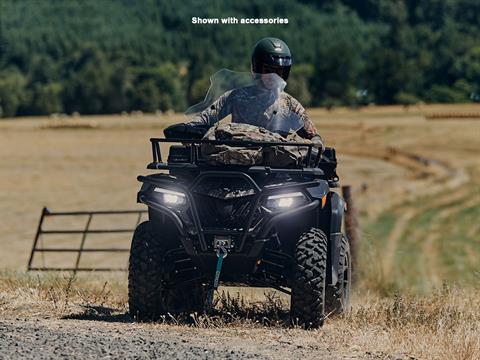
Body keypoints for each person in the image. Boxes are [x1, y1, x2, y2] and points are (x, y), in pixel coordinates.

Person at [188, 37, 323, 149]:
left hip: (276, 169)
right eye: (268, 70)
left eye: (279, 71)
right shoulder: (236, 96)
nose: (274, 76)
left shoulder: (289, 103)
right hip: (239, 163)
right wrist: (188, 129)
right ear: (256, 68)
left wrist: (314, 144)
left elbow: (314, 136)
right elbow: (205, 118)